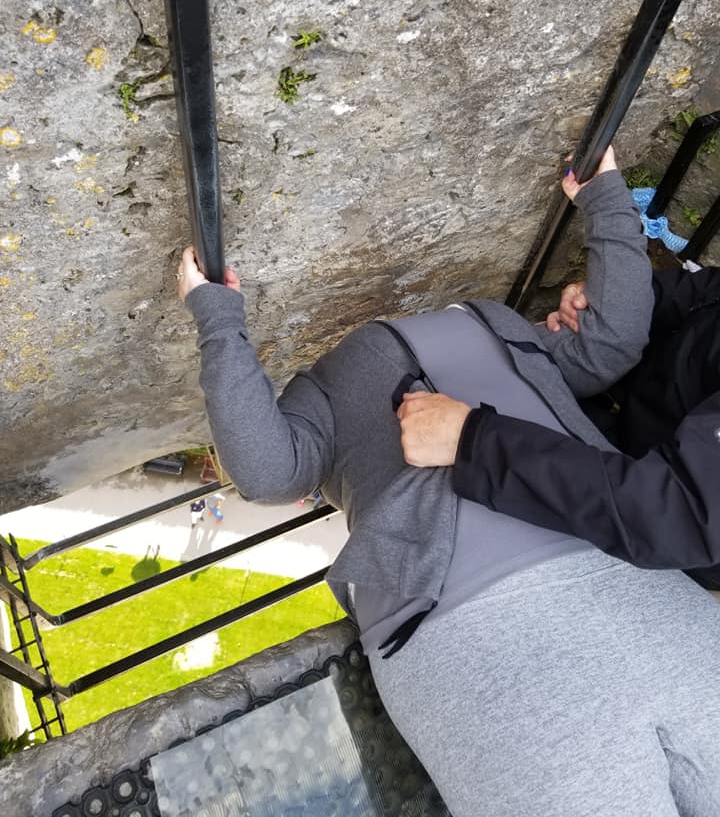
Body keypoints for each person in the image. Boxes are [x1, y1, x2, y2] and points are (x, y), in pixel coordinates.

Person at [178, 150, 720, 817]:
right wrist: (605, 198)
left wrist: (220, 321)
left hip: (561, 596)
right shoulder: (503, 338)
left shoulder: (492, 341)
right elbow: (613, 339)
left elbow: (612, 345)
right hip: (555, 605)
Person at [398, 263, 720, 584]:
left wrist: (475, 444)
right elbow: (698, 292)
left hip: (642, 534)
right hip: (612, 421)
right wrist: (608, 304)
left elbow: (674, 514)